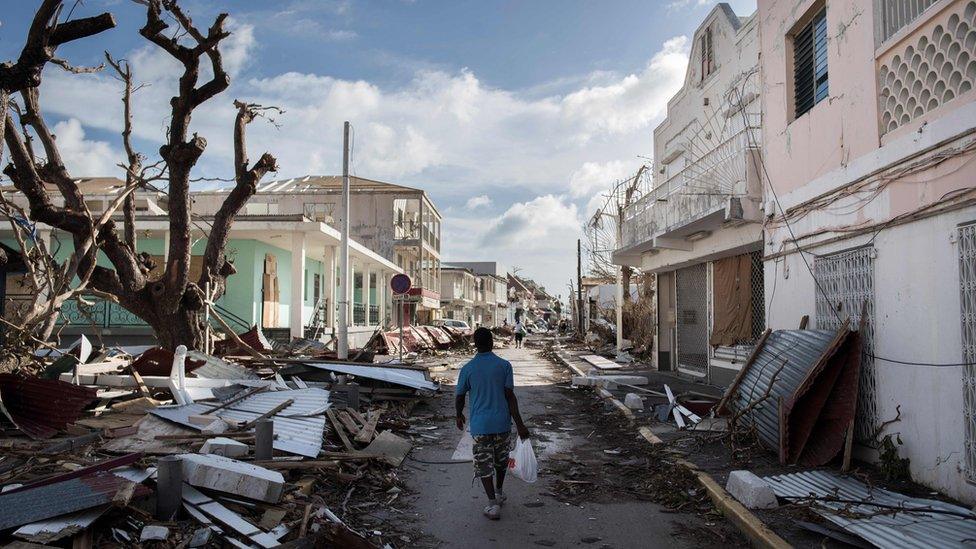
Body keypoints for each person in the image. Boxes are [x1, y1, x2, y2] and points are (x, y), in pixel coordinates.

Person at [455, 328, 530, 520]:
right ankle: (499, 492)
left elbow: (460, 395)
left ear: (475, 344)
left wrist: (458, 415)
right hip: (502, 424)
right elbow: (510, 397)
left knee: (483, 464)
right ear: (492, 342)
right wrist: (520, 425)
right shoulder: (504, 366)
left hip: (480, 426)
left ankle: (492, 504)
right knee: (501, 461)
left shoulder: (468, 369)